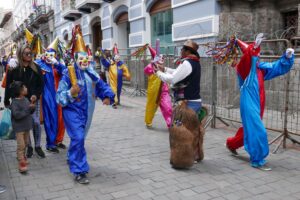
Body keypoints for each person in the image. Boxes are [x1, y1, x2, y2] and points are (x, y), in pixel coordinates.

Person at [225, 35, 295, 170]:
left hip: (259, 102)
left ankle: (231, 144)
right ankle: (257, 159)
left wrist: (286, 57)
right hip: (249, 103)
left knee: (249, 130)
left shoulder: (259, 68)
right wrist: (254, 48)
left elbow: (276, 67)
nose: (259, 55)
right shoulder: (243, 69)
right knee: (257, 130)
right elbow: (247, 58)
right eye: (256, 53)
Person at [56, 25, 115, 184]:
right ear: (75, 59)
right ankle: (79, 170)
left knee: (79, 139)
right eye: (80, 58)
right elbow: (59, 98)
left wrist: (108, 96)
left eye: (86, 58)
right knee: (79, 137)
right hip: (72, 111)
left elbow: (102, 86)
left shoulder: (91, 73)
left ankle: (71, 156)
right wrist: (70, 93)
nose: (83, 61)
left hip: (87, 112)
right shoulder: (69, 74)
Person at [5, 44, 45, 159]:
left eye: (30, 53)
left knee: (36, 122)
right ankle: (29, 147)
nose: (29, 55)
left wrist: (36, 95)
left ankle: (38, 146)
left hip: (33, 101)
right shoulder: (14, 69)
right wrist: (7, 99)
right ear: (20, 54)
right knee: (25, 125)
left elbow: (41, 84)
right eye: (26, 53)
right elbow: (9, 85)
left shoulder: (36, 67)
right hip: (20, 102)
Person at [35, 37, 66, 153]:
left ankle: (58, 140)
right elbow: (29, 66)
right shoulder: (40, 64)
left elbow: (66, 73)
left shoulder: (58, 64)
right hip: (48, 97)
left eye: (52, 54)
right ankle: (50, 143)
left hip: (60, 96)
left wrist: (58, 64)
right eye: (48, 54)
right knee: (51, 119)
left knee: (61, 119)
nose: (50, 56)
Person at [10, 81, 36, 173]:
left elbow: (29, 111)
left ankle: (22, 157)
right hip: (19, 128)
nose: (26, 88)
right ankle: (21, 163)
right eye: (24, 87)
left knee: (25, 143)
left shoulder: (26, 99)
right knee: (21, 145)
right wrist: (28, 109)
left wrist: (32, 107)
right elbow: (17, 115)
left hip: (26, 127)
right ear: (20, 91)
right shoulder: (14, 103)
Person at [144, 45, 172, 128]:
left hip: (164, 91)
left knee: (168, 107)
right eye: (160, 57)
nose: (162, 58)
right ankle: (148, 121)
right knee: (151, 108)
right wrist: (153, 63)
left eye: (162, 57)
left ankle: (170, 124)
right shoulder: (150, 67)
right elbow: (146, 70)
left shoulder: (163, 68)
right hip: (153, 92)